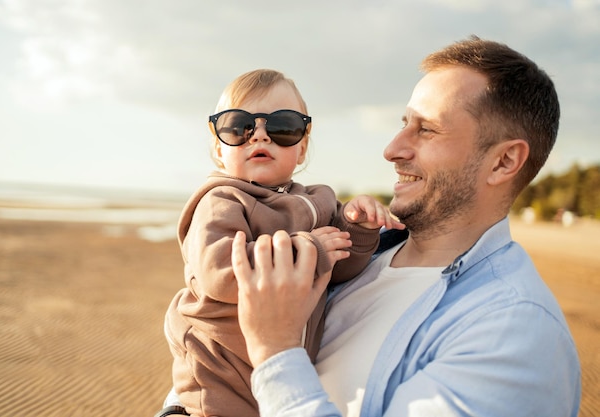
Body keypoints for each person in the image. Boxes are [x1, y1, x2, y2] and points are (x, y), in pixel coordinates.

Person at [230, 36, 582, 416]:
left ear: (504, 161)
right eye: (404, 123)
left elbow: (268, 348)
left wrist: (275, 351)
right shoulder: (358, 249)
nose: (392, 149)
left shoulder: (515, 334)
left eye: (426, 129)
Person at [157, 69, 401, 417]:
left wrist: (356, 227)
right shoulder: (222, 201)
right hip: (219, 374)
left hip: (281, 368)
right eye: (237, 126)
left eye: (283, 126)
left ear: (302, 148)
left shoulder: (320, 201)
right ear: (218, 149)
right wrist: (308, 249)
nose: (259, 136)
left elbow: (340, 268)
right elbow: (223, 273)